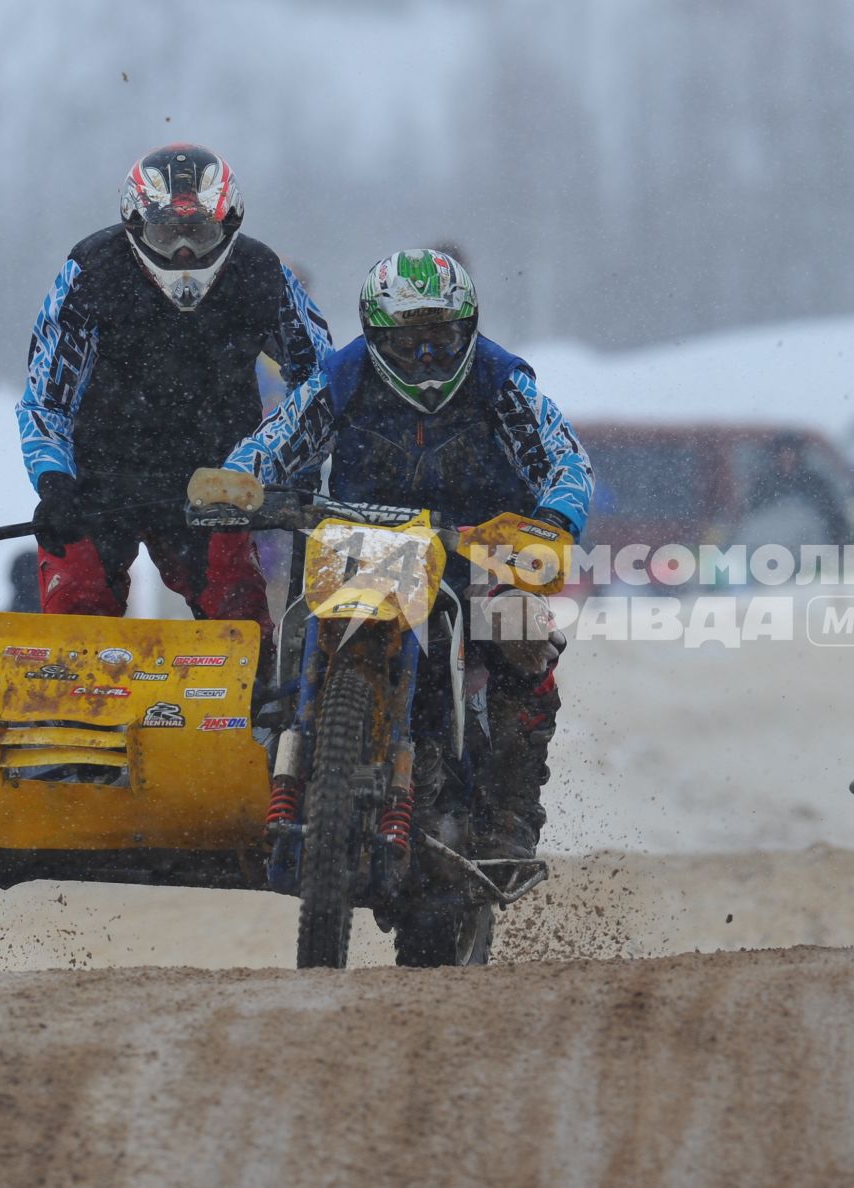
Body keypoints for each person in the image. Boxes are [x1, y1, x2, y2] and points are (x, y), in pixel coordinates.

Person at [219, 248, 592, 861]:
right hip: (369, 547)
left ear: (467, 330)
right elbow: (277, 438)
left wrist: (551, 521)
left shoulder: (501, 381)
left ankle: (510, 811)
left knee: (521, 630)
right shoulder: (342, 377)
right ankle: (292, 752)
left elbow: (566, 460)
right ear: (373, 336)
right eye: (407, 342)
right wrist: (237, 482)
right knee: (291, 635)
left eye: (440, 340)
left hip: (481, 555)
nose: (424, 359)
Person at [17, 144, 332, 643]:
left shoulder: (261, 272)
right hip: (100, 474)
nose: (183, 253)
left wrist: (285, 464)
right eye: (167, 234)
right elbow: (45, 397)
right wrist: (53, 479)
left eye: (199, 233)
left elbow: (320, 378)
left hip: (213, 479)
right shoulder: (91, 271)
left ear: (227, 226)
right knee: (73, 621)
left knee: (242, 629)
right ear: (136, 227)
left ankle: (254, 714)